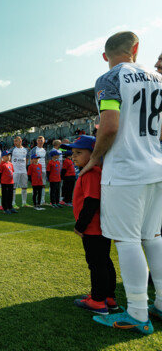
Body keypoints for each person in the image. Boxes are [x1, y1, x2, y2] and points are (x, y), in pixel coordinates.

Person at [83, 31, 162, 335]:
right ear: (136, 49)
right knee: (154, 237)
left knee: (128, 241)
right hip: (155, 168)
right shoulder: (158, 77)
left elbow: (110, 125)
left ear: (105, 56)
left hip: (126, 170)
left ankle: (138, 312)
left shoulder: (110, 78)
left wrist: (94, 159)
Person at [62, 136, 118, 316]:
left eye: (79, 153)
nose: (73, 156)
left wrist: (80, 226)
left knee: (96, 264)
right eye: (73, 153)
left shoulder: (91, 173)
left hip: (93, 228)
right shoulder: (93, 171)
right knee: (103, 261)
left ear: (94, 154)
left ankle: (98, 300)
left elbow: (92, 201)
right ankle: (107, 297)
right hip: (99, 228)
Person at [11, 136, 30, 208]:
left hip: (23, 171)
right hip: (15, 171)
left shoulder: (26, 150)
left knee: (24, 187)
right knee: (13, 187)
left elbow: (27, 158)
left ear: (20, 141)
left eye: (16, 141)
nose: (15, 143)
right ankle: (13, 203)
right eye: (14, 141)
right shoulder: (12, 149)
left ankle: (24, 203)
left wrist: (24, 166)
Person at [0, 150, 17, 215]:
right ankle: (5, 208)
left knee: (10, 195)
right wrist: (1, 182)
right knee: (5, 195)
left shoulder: (11, 164)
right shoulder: (1, 164)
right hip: (4, 182)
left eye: (9, 155)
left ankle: (10, 207)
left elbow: (12, 172)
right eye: (6, 156)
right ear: (3, 157)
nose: (8, 157)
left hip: (11, 182)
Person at [30, 136, 48, 204]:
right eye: (39, 140)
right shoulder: (34, 149)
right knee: (35, 185)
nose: (40, 142)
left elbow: (45, 160)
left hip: (43, 169)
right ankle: (35, 201)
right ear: (37, 141)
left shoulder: (44, 150)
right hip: (36, 170)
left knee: (43, 184)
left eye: (41, 140)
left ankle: (42, 200)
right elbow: (31, 159)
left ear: (44, 141)